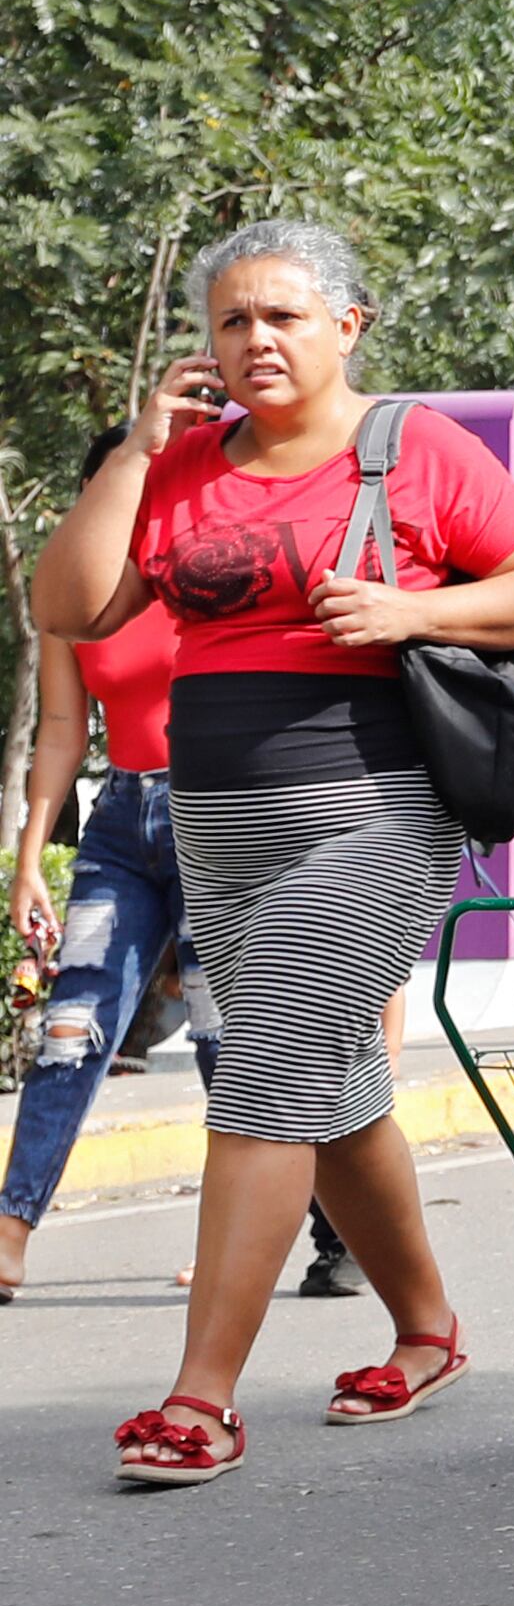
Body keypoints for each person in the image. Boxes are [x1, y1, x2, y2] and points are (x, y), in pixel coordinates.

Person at [39, 221, 514, 1486]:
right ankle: (431, 1332)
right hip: (218, 820)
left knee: (272, 1066)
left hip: (376, 807)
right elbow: (69, 609)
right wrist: (133, 453)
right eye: (232, 322)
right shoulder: (182, 469)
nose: (255, 342)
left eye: (282, 316)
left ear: (349, 325)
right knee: (334, 1098)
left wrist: (416, 608)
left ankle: (201, 1398)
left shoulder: (411, 451)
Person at [0, 456, 215, 1302]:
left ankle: (258, 1232)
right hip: (121, 822)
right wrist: (26, 859)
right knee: (70, 1031)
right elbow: (60, 728)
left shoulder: (204, 572)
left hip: (217, 813)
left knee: (223, 1039)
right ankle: (10, 1229)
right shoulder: (70, 594)